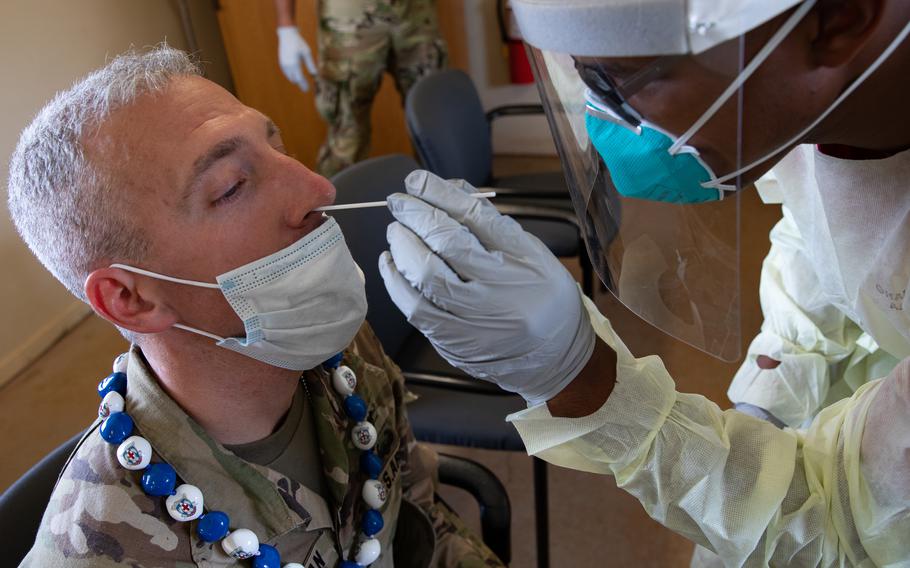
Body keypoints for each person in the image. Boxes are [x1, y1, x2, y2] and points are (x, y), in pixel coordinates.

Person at [377, 0, 910, 565]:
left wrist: (586, 380)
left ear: (839, 17)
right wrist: (772, 393)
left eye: (618, 76)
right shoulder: (819, 104)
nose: (600, 118)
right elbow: (818, 234)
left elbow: (837, 524)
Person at [7, 45, 502, 568]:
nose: (318, 187)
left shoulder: (343, 353)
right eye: (232, 187)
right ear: (130, 298)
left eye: (277, 144)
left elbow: (423, 524)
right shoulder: (102, 550)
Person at [274, 0, 447, 177]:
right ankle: (337, 201)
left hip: (416, 12)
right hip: (348, 16)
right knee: (347, 132)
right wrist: (286, 27)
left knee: (435, 122)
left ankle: (449, 199)